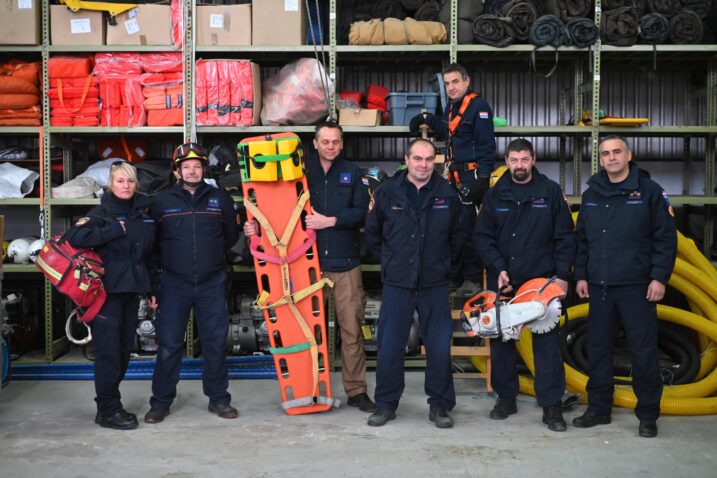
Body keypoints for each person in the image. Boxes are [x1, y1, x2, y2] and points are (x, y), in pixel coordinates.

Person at [244, 122, 375, 412]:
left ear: (342, 144)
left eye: (335, 142)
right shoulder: (298, 173)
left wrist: (329, 221)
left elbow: (361, 213)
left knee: (351, 330)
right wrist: (254, 227)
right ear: (314, 144)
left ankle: (356, 391)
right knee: (305, 331)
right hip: (307, 265)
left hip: (345, 264)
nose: (330, 146)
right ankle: (310, 389)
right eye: (325, 141)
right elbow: (274, 209)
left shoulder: (353, 173)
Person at [573, 136, 677, 438]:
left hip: (637, 287)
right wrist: (581, 276)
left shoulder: (650, 192)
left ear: (628, 155)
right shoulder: (592, 194)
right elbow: (582, 241)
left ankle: (647, 415)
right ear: (600, 159)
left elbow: (665, 239)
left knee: (642, 352)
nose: (611, 158)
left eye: (617, 152)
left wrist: (659, 277)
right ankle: (598, 409)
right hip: (600, 286)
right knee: (599, 349)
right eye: (605, 154)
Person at [474, 139, 576, 432]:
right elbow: (482, 237)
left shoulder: (550, 192)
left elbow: (566, 237)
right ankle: (506, 398)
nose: (519, 166)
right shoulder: (495, 196)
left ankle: (552, 405)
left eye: (524, 160)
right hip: (505, 279)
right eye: (514, 160)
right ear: (506, 160)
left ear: (534, 159)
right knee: (503, 342)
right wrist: (498, 268)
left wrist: (561, 276)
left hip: (542, 281)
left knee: (547, 346)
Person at [364, 138, 465, 428]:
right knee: (390, 346)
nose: (423, 164)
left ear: (435, 161)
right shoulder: (387, 193)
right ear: (406, 159)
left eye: (429, 159)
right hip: (398, 284)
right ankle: (385, 404)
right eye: (418, 158)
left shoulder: (447, 194)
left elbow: (459, 238)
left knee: (438, 347)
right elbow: (372, 235)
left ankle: (441, 406)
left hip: (434, 284)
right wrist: (392, 260)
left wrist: (448, 270)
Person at [144, 142, 239, 424]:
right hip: (173, 284)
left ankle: (219, 399)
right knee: (169, 345)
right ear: (177, 171)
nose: (192, 170)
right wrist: (153, 286)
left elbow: (230, 236)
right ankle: (160, 402)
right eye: (186, 166)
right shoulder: (161, 202)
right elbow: (152, 247)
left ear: (203, 169)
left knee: (214, 343)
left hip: (212, 282)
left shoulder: (220, 198)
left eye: (197, 165)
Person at [67, 161, 156, 430]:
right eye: (120, 181)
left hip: (131, 292)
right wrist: (111, 231)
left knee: (123, 353)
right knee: (108, 354)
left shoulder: (142, 212)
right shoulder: (102, 212)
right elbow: (75, 237)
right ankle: (108, 410)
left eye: (130, 181)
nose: (125, 185)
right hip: (105, 295)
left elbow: (148, 255)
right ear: (110, 184)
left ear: (136, 184)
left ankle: (109, 405)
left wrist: (151, 289)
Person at [410, 63, 496, 297]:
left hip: (472, 177)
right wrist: (426, 118)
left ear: (467, 81)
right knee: (452, 229)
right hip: (454, 176)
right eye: (447, 84)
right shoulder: (451, 108)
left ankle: (471, 279)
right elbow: (450, 129)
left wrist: (483, 179)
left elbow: (487, 146)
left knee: (469, 231)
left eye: (455, 82)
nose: (451, 87)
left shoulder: (479, 108)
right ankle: (454, 276)